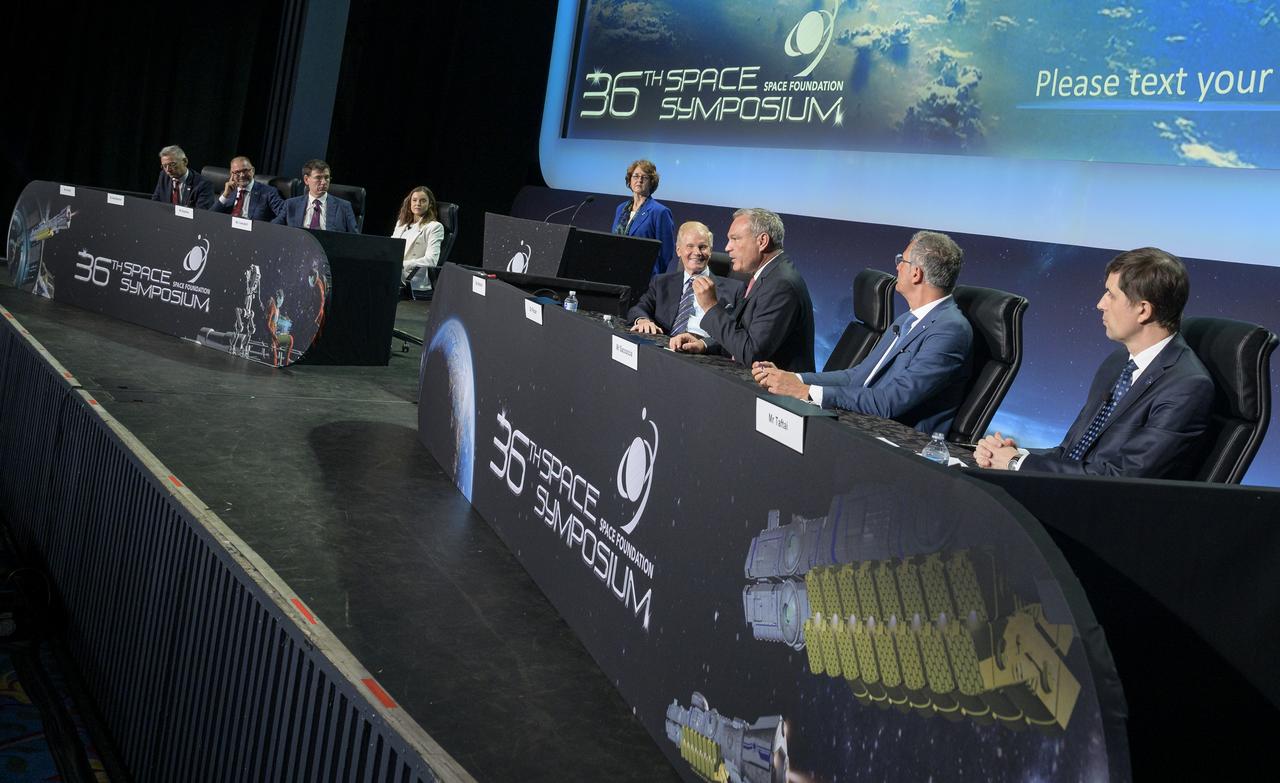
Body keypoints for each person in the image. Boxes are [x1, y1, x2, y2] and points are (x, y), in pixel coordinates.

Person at [975, 247, 1213, 478]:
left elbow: (1123, 477)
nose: (1100, 304)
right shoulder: (1118, 362)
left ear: (1143, 310)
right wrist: (1013, 455)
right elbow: (1069, 453)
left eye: (1111, 294)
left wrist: (1016, 464)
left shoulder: (1187, 387)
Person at [752, 231, 972, 434]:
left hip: (898, 442)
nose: (897, 267)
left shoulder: (950, 331)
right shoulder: (908, 319)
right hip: (866, 424)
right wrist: (794, 378)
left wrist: (806, 391)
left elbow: (890, 402)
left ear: (916, 273)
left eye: (901, 261)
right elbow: (856, 376)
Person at [669, 208, 815, 372]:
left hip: (774, 393)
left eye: (735, 239)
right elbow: (743, 334)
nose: (727, 247)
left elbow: (751, 353)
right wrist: (703, 344)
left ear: (762, 241)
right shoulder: (767, 276)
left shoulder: (781, 284)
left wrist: (710, 307)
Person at [628, 221, 744, 340]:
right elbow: (639, 308)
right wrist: (642, 321)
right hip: (665, 347)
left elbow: (734, 333)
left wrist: (704, 344)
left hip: (705, 353)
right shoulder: (661, 283)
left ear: (710, 250)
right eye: (690, 246)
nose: (697, 252)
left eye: (703, 247)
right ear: (678, 250)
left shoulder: (734, 289)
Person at [611, 159, 676, 277]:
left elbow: (666, 252)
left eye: (644, 177)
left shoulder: (660, 212)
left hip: (644, 275)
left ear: (651, 182)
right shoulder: (621, 209)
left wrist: (654, 276)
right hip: (617, 270)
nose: (639, 180)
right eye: (635, 176)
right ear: (629, 180)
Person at [273, 159, 359, 232]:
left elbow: (355, 240)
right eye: (318, 178)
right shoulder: (291, 205)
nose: (324, 182)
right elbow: (272, 229)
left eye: (327, 177)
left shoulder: (344, 207)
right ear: (306, 180)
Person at [392, 186, 445, 291]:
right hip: (394, 273)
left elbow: (431, 260)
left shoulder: (434, 227)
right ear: (409, 203)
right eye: (414, 200)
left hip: (412, 279)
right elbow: (391, 248)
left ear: (430, 204)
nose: (417, 203)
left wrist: (403, 264)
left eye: (423, 200)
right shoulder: (401, 224)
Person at [211, 156, 283, 222]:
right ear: (231, 174)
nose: (242, 175)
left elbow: (284, 214)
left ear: (253, 171)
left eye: (245, 170)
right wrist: (225, 195)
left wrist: (266, 228)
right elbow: (209, 217)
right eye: (237, 172)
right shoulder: (228, 192)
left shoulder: (268, 192)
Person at [151, 145, 214, 209]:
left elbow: (201, 213)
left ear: (185, 161)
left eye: (172, 164)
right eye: (164, 166)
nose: (168, 170)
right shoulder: (164, 176)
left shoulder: (203, 185)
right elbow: (155, 201)